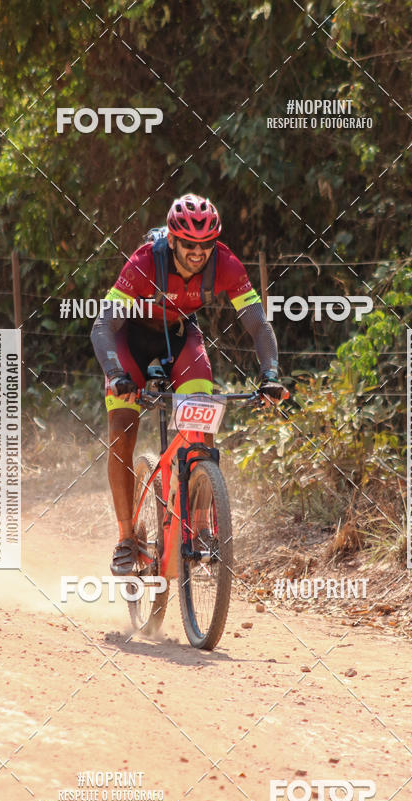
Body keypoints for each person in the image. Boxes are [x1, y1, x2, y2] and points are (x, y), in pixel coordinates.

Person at [91, 193, 286, 575]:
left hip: (180, 338)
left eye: (206, 245)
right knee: (121, 431)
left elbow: (259, 324)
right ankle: (126, 538)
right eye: (190, 244)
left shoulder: (225, 264)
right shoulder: (146, 260)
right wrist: (116, 375)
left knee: (202, 420)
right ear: (172, 240)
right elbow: (102, 325)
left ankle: (199, 527)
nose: (199, 252)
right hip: (128, 341)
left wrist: (271, 375)